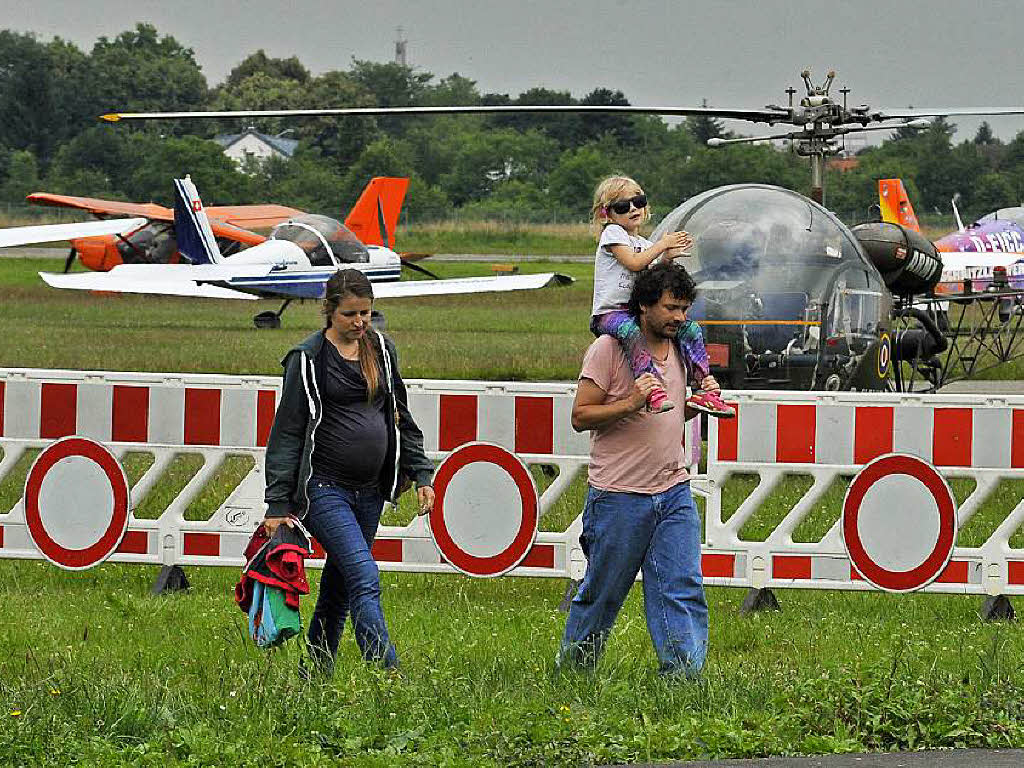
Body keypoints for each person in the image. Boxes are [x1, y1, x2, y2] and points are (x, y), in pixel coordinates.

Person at [262, 268, 435, 674]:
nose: (360, 323)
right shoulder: (307, 359)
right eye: (351, 314)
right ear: (329, 312)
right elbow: (286, 433)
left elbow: (400, 415)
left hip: (371, 489)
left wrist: (421, 473)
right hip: (323, 488)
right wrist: (276, 504)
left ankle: (315, 671)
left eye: (367, 314)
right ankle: (386, 672)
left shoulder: (381, 350)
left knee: (339, 586)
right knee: (363, 574)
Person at [559, 260, 709, 676]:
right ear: (643, 306)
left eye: (684, 309)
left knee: (681, 587)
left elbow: (672, 412)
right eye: (670, 308)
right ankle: (574, 672)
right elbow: (580, 415)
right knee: (603, 593)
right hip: (618, 495)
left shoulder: (681, 347)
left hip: (673, 490)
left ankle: (683, 678)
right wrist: (631, 403)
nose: (679, 317)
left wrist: (697, 403)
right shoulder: (608, 349)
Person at [590, 175, 733, 417]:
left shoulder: (643, 243)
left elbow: (651, 275)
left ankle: (703, 386)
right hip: (610, 313)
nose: (634, 208)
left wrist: (667, 257)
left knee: (692, 329)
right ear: (608, 214)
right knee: (631, 332)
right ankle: (652, 390)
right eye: (623, 206)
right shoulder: (613, 234)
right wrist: (661, 244)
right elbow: (635, 263)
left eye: (638, 201)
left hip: (635, 312)